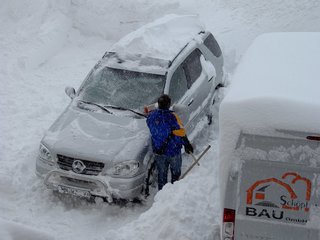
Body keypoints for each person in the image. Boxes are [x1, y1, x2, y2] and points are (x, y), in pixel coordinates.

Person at [146, 94, 193, 190]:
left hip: (159, 151)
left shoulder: (150, 116)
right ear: (168, 104)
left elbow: (154, 128)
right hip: (173, 151)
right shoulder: (172, 117)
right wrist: (187, 144)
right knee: (175, 175)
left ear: (158, 104)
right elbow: (181, 132)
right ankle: (173, 193)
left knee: (162, 175)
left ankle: (162, 196)